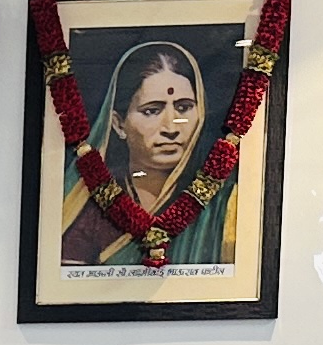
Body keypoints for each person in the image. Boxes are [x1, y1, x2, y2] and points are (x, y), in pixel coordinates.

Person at [69, 40, 229, 269]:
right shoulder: (88, 206)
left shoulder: (225, 203)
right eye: (152, 111)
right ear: (118, 124)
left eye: (184, 108)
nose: (171, 127)